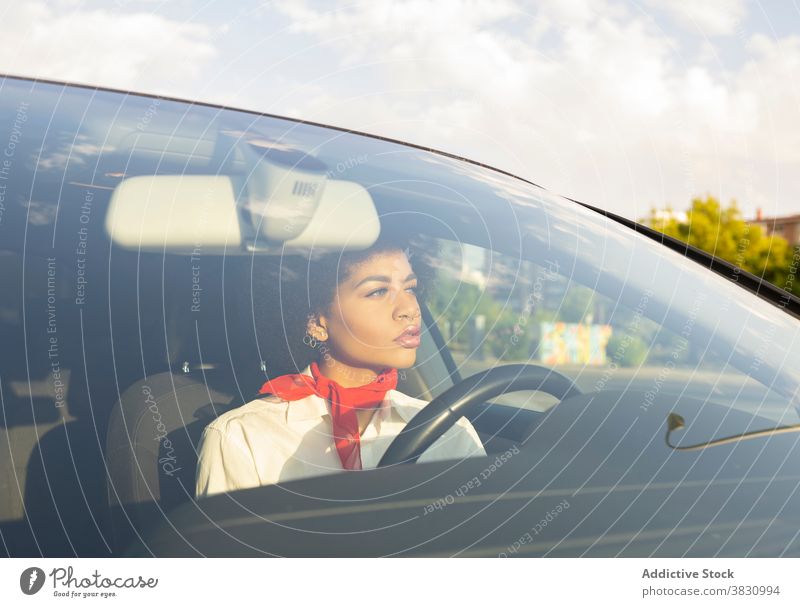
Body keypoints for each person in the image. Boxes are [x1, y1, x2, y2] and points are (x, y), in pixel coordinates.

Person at [195, 231, 486, 498]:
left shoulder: (451, 431)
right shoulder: (242, 439)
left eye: (410, 288)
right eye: (377, 292)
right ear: (316, 323)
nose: (410, 309)